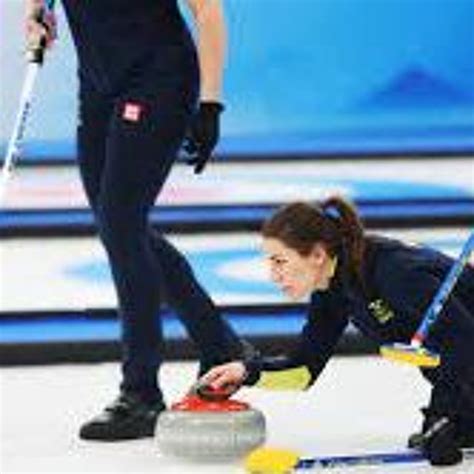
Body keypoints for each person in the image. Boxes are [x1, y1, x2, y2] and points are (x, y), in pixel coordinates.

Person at [25, 0, 254, 441]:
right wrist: (37, 14)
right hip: (98, 83)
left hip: (158, 79)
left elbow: (208, 12)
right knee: (120, 227)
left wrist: (211, 104)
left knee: (121, 223)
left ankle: (141, 392)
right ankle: (220, 345)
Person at [200, 196, 474, 467]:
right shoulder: (335, 286)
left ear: (318, 255)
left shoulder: (396, 272)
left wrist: (444, 413)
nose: (272, 275)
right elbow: (303, 371)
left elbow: (464, 343)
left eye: (280, 261)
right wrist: (246, 372)